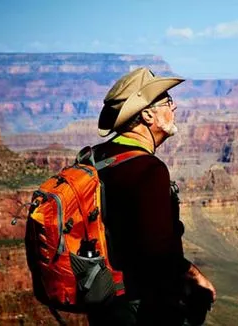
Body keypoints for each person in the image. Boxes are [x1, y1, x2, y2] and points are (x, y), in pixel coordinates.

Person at [88, 67, 216, 325]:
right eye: (167, 101)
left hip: (104, 303)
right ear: (147, 115)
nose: (174, 107)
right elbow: (158, 252)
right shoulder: (149, 170)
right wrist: (193, 276)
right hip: (141, 307)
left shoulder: (95, 157)